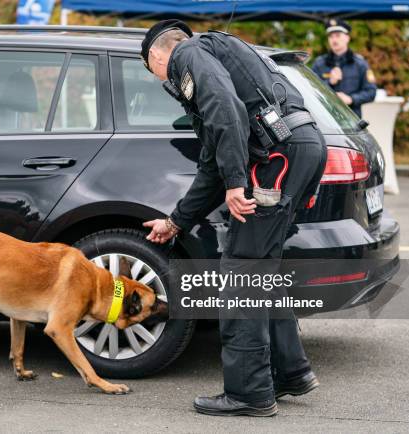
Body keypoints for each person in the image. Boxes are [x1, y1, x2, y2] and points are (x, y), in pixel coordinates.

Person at [141, 20, 327, 417]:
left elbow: (226, 111)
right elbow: (212, 161)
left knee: (241, 275)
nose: (160, 79)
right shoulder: (217, 53)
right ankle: (290, 372)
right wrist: (176, 221)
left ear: (157, 55)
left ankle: (248, 394)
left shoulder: (187, 55)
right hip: (299, 149)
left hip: (275, 161)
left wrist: (235, 182)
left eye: (151, 69)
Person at [312, 19, 377, 117]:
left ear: (347, 38)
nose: (334, 40)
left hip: (353, 121)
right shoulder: (319, 64)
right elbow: (311, 91)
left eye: (338, 35)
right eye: (331, 36)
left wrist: (351, 99)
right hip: (326, 119)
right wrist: (329, 82)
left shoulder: (360, 64)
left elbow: (371, 92)